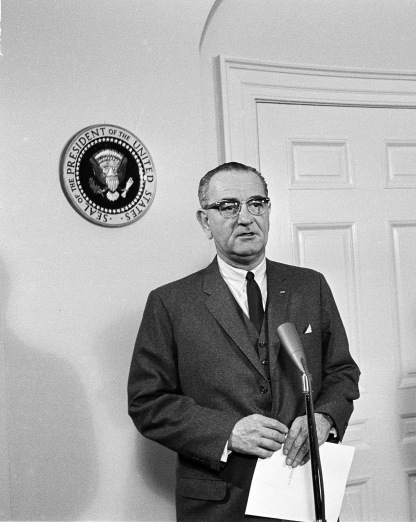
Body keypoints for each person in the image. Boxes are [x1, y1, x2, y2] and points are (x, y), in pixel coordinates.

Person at [128, 162, 360, 520]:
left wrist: (325, 417)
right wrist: (228, 432)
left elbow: (342, 371)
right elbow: (147, 402)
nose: (246, 217)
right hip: (220, 503)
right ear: (205, 221)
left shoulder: (309, 286)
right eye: (228, 206)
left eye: (257, 203)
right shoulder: (171, 302)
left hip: (303, 494)